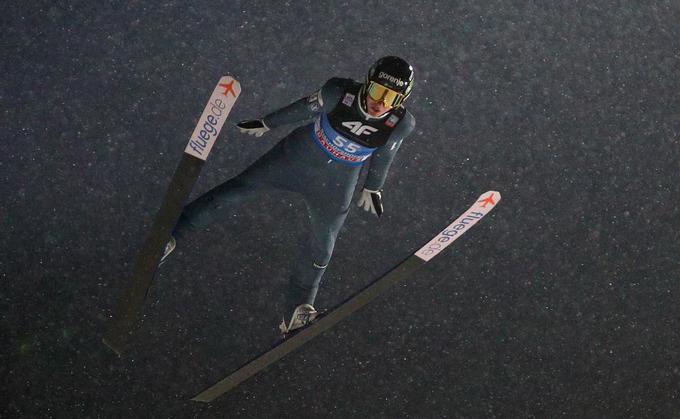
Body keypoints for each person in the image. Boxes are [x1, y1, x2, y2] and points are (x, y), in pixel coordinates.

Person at [163, 56, 416, 333]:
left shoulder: (400, 123)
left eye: (391, 98)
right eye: (378, 91)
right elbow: (303, 108)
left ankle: (297, 309)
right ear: (368, 84)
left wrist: (373, 186)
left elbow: (386, 154)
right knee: (238, 189)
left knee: (324, 245)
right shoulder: (340, 92)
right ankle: (173, 232)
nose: (380, 102)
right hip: (297, 158)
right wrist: (268, 122)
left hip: (335, 184)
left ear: (401, 100)